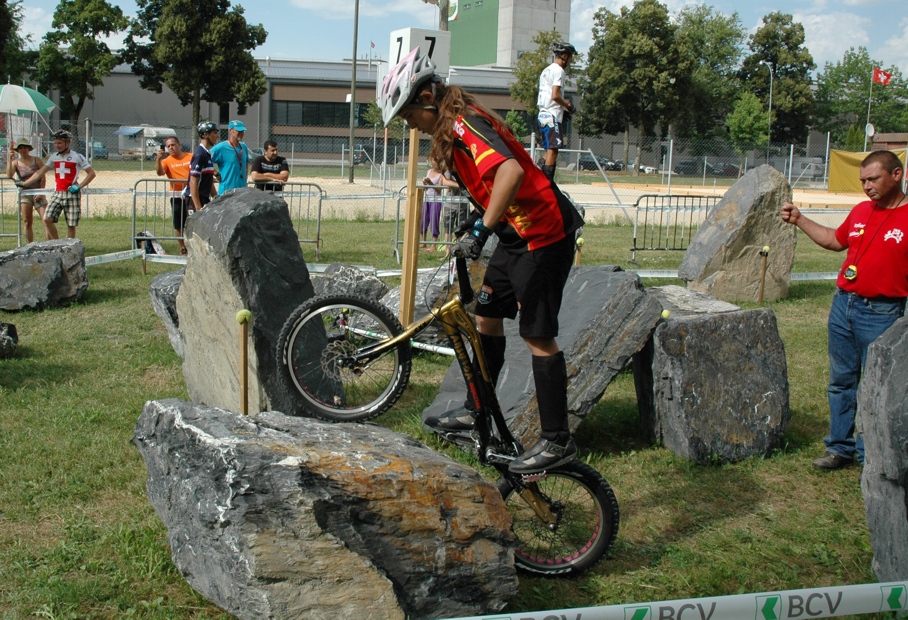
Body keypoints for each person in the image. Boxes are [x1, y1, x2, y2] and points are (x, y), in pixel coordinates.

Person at [380, 47, 584, 474]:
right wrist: (479, 218)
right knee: (487, 317)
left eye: (408, 115)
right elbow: (492, 185)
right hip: (515, 235)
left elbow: (511, 172)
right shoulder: (453, 127)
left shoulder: (465, 122)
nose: (409, 124)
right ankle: (479, 411)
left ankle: (557, 439)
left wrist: (481, 230)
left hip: (542, 235)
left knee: (537, 336)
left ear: (427, 99)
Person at [781, 150, 908, 470]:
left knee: (875, 386)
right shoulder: (861, 210)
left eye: (873, 179)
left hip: (882, 313)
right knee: (841, 381)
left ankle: (870, 455)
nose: (867, 186)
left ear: (896, 175)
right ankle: (839, 447)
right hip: (844, 306)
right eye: (863, 180)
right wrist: (799, 220)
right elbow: (834, 240)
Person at [21, 129, 95, 240]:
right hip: (58, 193)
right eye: (55, 143)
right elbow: (40, 172)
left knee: (71, 224)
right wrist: (24, 183)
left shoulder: (77, 156)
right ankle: (57, 243)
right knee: (47, 219)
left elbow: (91, 173)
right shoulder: (54, 157)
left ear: (68, 142)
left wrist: (79, 186)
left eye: (59, 143)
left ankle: (68, 246)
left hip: (71, 193)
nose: (57, 146)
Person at [536, 41, 577, 182]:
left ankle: (537, 174)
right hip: (552, 115)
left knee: (549, 150)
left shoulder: (546, 70)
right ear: (564, 56)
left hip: (542, 114)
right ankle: (547, 183)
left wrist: (561, 110)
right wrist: (567, 106)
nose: (571, 61)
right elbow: (555, 95)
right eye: (570, 57)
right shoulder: (559, 71)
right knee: (553, 150)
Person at [6, 138, 50, 243]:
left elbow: (43, 177)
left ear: (29, 149)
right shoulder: (16, 162)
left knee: (46, 219)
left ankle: (50, 244)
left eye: (25, 147)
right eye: (20, 148)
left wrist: (40, 192)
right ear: (17, 150)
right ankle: (29, 245)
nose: (23, 150)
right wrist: (9, 159)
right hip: (24, 194)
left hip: (38, 192)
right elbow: (9, 175)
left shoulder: (37, 160)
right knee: (27, 221)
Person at [155, 135, 193, 255]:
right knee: (178, 224)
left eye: (173, 145)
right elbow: (160, 172)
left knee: (193, 221)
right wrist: (158, 159)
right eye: (168, 146)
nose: (171, 148)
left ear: (179, 145)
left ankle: (193, 246)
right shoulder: (166, 161)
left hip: (191, 195)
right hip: (176, 196)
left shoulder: (190, 156)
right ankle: (182, 247)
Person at [185, 121, 220, 214]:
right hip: (195, 199)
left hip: (204, 197)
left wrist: (216, 198)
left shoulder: (207, 154)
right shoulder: (200, 155)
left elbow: (208, 180)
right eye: (215, 133)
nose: (217, 136)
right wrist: (198, 207)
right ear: (205, 134)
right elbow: (193, 182)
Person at [211, 120, 250, 192]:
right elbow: (204, 162)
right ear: (230, 131)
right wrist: (216, 173)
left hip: (242, 191)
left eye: (243, 131)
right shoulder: (220, 148)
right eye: (239, 131)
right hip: (226, 191)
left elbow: (246, 164)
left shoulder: (244, 147)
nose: (241, 133)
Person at [421, 167, 445, 250]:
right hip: (427, 199)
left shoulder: (441, 174)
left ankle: (433, 245)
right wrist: (424, 183)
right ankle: (424, 242)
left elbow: (439, 190)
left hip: (436, 200)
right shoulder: (429, 171)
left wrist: (430, 183)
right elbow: (426, 188)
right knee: (423, 221)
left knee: (434, 222)